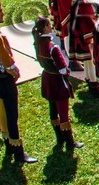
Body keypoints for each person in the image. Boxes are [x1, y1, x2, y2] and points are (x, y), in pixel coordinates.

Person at [0, 0, 37, 167]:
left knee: (2, 110)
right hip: (3, 80)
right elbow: (8, 62)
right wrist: (14, 73)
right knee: (12, 115)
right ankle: (18, 150)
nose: (2, 13)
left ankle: (8, 142)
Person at [33, 16, 82, 153]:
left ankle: (59, 137)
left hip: (47, 79)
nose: (51, 27)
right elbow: (63, 68)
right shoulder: (52, 47)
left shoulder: (38, 44)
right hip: (57, 81)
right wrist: (66, 72)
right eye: (49, 25)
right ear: (45, 28)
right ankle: (70, 141)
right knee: (63, 111)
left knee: (53, 109)